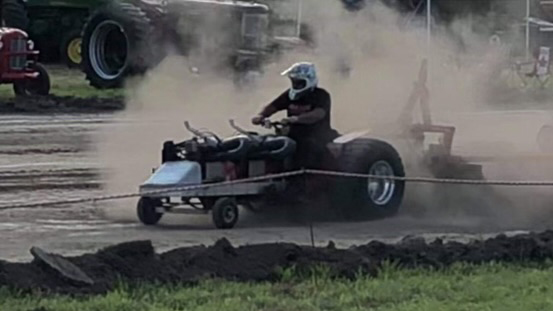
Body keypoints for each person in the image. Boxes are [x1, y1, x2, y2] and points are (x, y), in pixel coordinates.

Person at [251, 62, 339, 169]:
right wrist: (261, 116)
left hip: (317, 136)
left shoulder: (321, 95)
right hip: (293, 135)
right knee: (265, 144)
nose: (296, 85)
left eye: (299, 82)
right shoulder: (289, 95)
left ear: (309, 80)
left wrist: (296, 119)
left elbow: (318, 114)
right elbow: (273, 106)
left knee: (306, 148)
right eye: (294, 82)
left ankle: (301, 177)